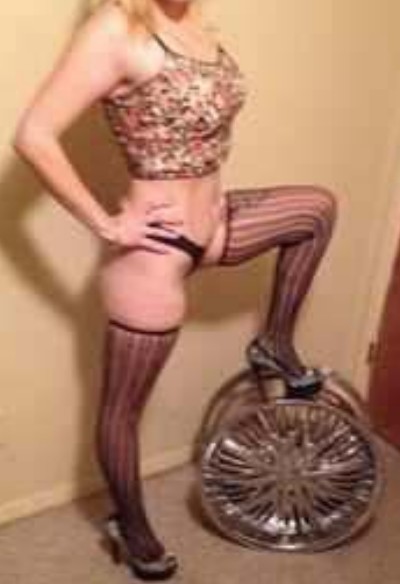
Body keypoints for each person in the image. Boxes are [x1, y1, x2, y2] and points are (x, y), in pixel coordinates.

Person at [12, 0, 338, 579]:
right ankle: (132, 527)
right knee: (122, 411)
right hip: (156, 252)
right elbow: (33, 134)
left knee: (315, 210)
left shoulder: (195, 22)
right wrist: (107, 225)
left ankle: (274, 344)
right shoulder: (115, 27)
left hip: (215, 224)